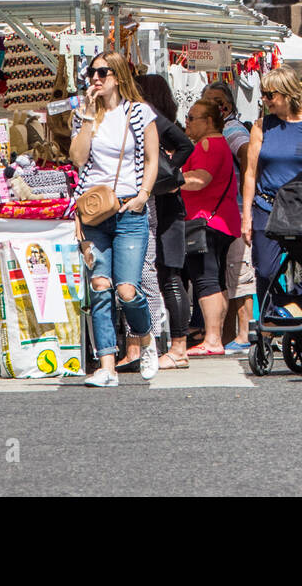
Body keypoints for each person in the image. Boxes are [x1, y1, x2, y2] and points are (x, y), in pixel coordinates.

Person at [69, 52, 161, 386]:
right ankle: (106, 366)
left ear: (118, 76)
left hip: (128, 211)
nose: (95, 78)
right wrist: (88, 119)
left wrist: (142, 196)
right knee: (99, 286)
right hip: (95, 212)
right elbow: (77, 159)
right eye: (91, 73)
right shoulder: (89, 115)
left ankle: (146, 337)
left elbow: (152, 159)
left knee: (126, 290)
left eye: (102, 73)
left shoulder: (138, 113)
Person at [241, 65, 302, 316]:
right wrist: (246, 214)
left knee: (300, 272)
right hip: (266, 206)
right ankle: (273, 318)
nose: (265, 100)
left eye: (270, 95)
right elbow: (250, 173)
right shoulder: (261, 126)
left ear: (288, 94)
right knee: (266, 271)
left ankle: (296, 316)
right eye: (263, 94)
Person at [137, 73, 195, 368]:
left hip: (166, 203)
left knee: (169, 275)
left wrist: (167, 172)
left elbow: (186, 145)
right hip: (159, 202)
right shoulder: (150, 116)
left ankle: (179, 348)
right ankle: (167, 344)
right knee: (160, 274)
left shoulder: (150, 117)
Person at [178, 98, 242, 356]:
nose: (187, 123)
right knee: (215, 279)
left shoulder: (207, 144)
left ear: (208, 121)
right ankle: (215, 336)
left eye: (192, 118)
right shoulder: (219, 144)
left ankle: (213, 338)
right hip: (219, 221)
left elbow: (199, 180)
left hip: (205, 221)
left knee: (205, 280)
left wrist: (170, 181)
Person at [202, 80, 252, 348]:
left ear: (229, 106)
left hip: (236, 210)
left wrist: (245, 189)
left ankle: (243, 334)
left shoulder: (232, 128)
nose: (215, 107)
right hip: (223, 213)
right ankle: (230, 334)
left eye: (219, 102)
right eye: (209, 101)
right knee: (229, 275)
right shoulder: (215, 131)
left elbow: (246, 152)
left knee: (239, 272)